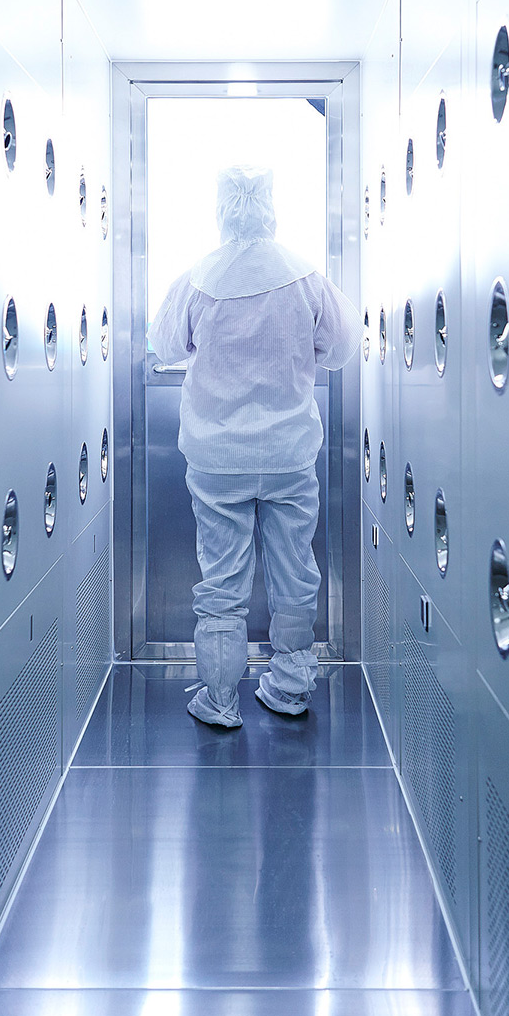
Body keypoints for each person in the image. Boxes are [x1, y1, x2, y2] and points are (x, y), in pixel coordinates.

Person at [150, 165, 361, 728]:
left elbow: (163, 346)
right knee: (295, 571)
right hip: (289, 454)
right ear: (271, 207)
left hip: (217, 460)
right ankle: (291, 685)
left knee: (221, 580)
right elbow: (343, 346)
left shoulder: (199, 279)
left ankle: (220, 698)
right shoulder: (305, 276)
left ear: (221, 209)